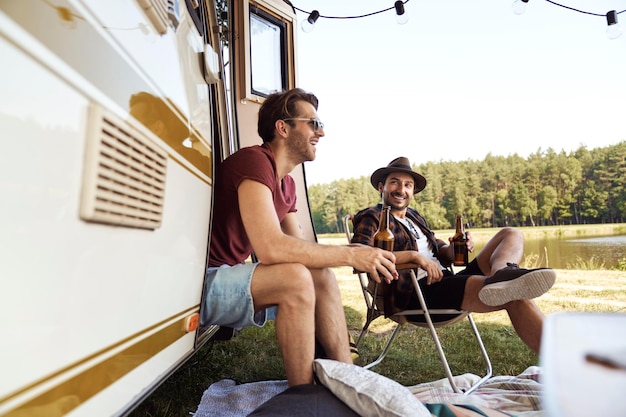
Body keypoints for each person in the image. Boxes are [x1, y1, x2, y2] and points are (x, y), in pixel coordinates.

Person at [201, 88, 398, 386]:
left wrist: (354, 254)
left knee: (320, 274)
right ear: (283, 128)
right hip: (198, 283)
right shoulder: (254, 161)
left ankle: (350, 382)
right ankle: (304, 396)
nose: (321, 133)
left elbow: (303, 250)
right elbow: (270, 247)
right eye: (313, 124)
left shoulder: (287, 184)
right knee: (294, 279)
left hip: (226, 277)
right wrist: (351, 254)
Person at [351, 157, 557, 354]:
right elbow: (360, 255)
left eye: (408, 185)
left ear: (413, 191)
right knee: (514, 295)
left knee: (510, 234)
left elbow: (439, 251)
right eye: (394, 183)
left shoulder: (415, 217)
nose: (401, 189)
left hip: (446, 282)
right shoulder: (373, 217)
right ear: (381, 187)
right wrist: (414, 258)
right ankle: (562, 367)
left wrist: (453, 248)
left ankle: (502, 273)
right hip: (417, 294)